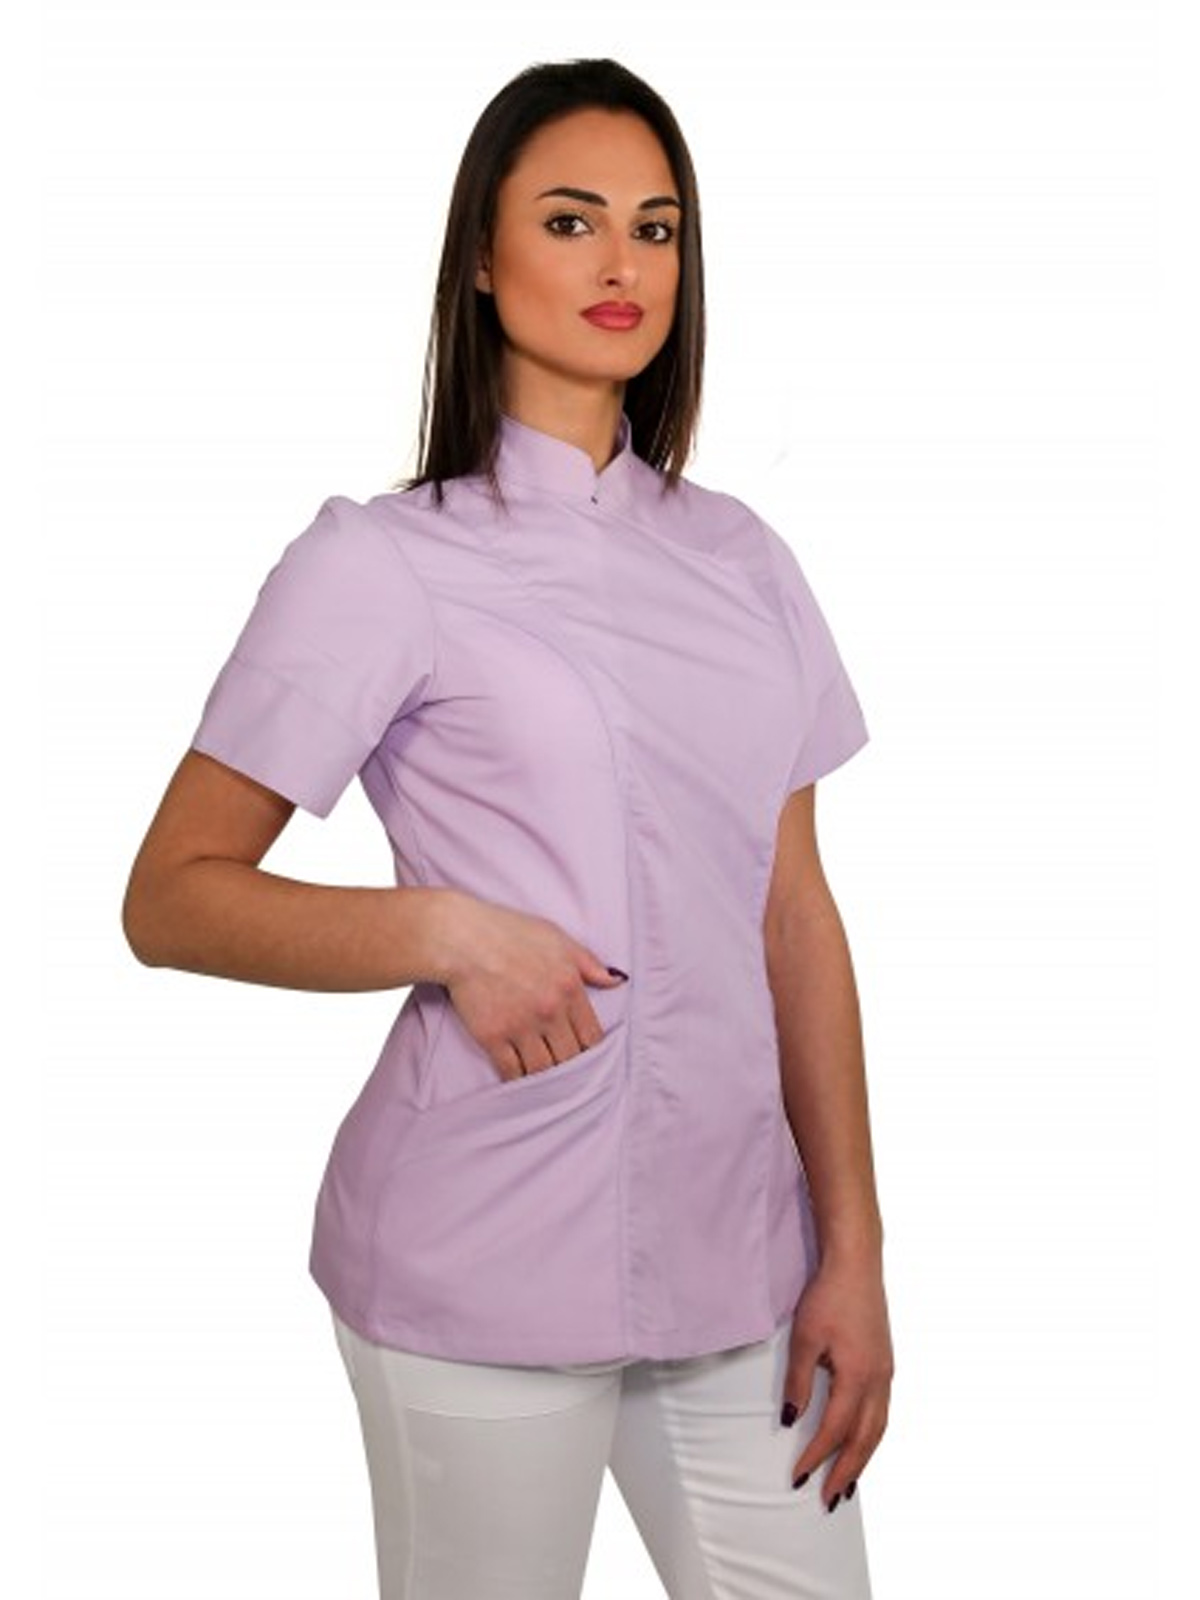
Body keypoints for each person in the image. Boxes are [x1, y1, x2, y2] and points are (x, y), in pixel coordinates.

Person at [122, 56, 894, 1600]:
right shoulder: (381, 564)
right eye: (570, 219)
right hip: (479, 1254)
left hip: (740, 1262)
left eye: (657, 229)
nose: (623, 264)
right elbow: (173, 896)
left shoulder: (745, 561)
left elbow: (793, 911)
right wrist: (445, 931)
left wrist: (853, 1250)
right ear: (482, 256)